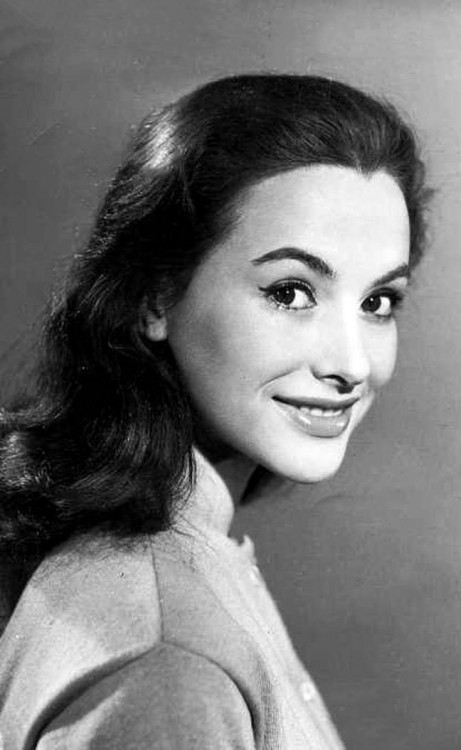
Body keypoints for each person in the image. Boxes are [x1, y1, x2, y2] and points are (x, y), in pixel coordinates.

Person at [0, 73, 430, 748]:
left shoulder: (183, 564)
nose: (352, 364)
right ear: (155, 298)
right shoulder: (168, 656)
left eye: (378, 302)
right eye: (290, 292)